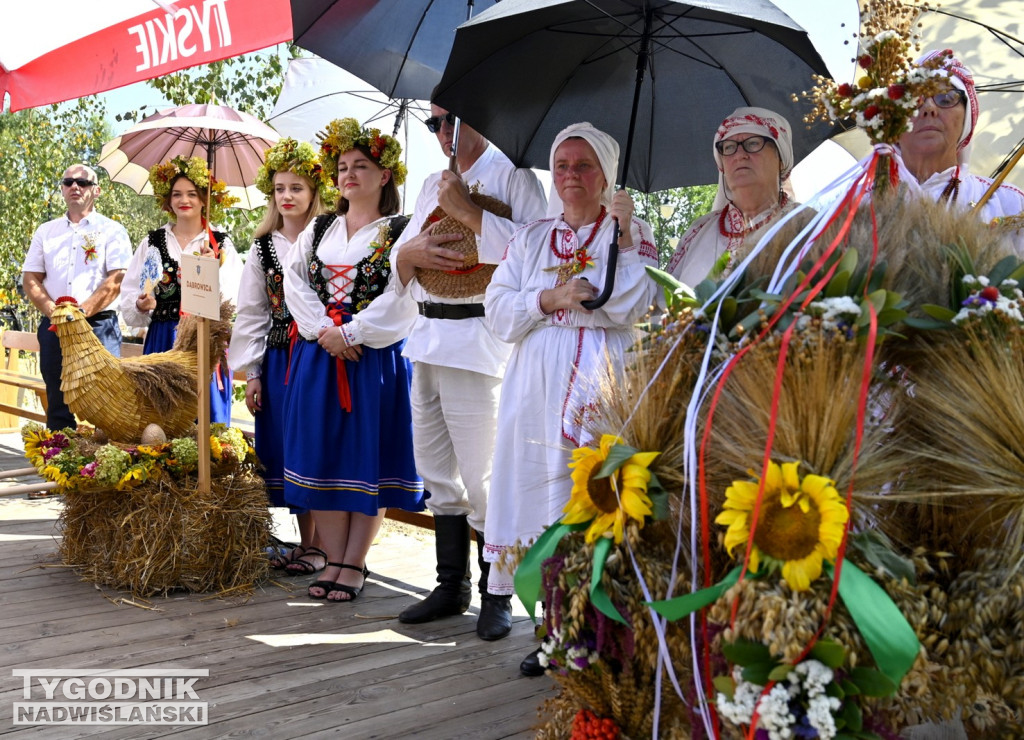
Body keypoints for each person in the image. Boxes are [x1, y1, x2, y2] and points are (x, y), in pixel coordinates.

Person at [483, 122, 658, 675]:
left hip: (604, 382)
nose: (570, 176)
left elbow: (632, 304)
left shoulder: (630, 231)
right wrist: (551, 297)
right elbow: (497, 311)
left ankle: (590, 628)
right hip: (534, 384)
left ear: (605, 173)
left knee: (591, 496)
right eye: (562, 165)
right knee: (535, 496)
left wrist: (624, 239)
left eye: (583, 165)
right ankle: (548, 628)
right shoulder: (532, 237)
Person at [390, 103, 547, 640]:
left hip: (480, 342)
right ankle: (450, 583)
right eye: (433, 123)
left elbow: (536, 256)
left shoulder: (515, 176)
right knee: (435, 473)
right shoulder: (433, 180)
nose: (442, 132)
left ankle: (496, 592)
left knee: (484, 478)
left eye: (451, 119)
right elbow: (402, 258)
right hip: (428, 336)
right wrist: (411, 250)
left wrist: (468, 211)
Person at [281, 118, 423, 603]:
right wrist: (326, 330)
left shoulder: (403, 231)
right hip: (320, 354)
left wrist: (353, 332)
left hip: (373, 358)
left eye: (361, 165)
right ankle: (332, 557)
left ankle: (352, 563)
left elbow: (403, 297)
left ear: (386, 176)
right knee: (321, 454)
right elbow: (293, 284)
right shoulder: (319, 228)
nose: (348, 174)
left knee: (368, 457)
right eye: (342, 167)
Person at [228, 139, 337, 575]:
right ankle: (307, 541)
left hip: (320, 351)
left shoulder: (331, 237)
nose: (287, 196)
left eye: (296, 187)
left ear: (313, 192)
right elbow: (252, 311)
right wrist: (253, 372)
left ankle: (324, 546)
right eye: (279, 189)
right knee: (287, 445)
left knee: (316, 440)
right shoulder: (263, 248)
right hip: (278, 355)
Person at [120, 156, 243, 424]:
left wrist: (212, 272)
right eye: (176, 194)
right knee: (161, 420)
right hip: (163, 337)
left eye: (191, 194)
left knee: (205, 419)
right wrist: (140, 305)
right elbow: (130, 291)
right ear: (168, 200)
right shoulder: (152, 243)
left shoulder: (220, 244)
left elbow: (236, 298)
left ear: (203, 199)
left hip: (204, 339)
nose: (183, 200)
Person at [22, 164, 132, 431]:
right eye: (68, 182)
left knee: (106, 396)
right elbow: (30, 279)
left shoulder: (112, 231)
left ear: (97, 191)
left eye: (82, 183)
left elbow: (117, 279)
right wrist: (55, 311)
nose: (75, 187)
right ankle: (59, 459)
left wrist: (79, 313)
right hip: (55, 324)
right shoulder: (45, 231)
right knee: (57, 397)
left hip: (98, 325)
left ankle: (106, 462)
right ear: (62, 188)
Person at [666, 107, 798, 289]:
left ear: (781, 159)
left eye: (753, 143)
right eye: (729, 147)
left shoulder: (809, 225)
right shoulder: (699, 232)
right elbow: (662, 304)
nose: (739, 155)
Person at [897, 49, 1024, 221]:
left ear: (967, 119)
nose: (928, 108)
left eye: (946, 98)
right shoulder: (857, 202)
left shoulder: (1011, 206)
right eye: (914, 101)